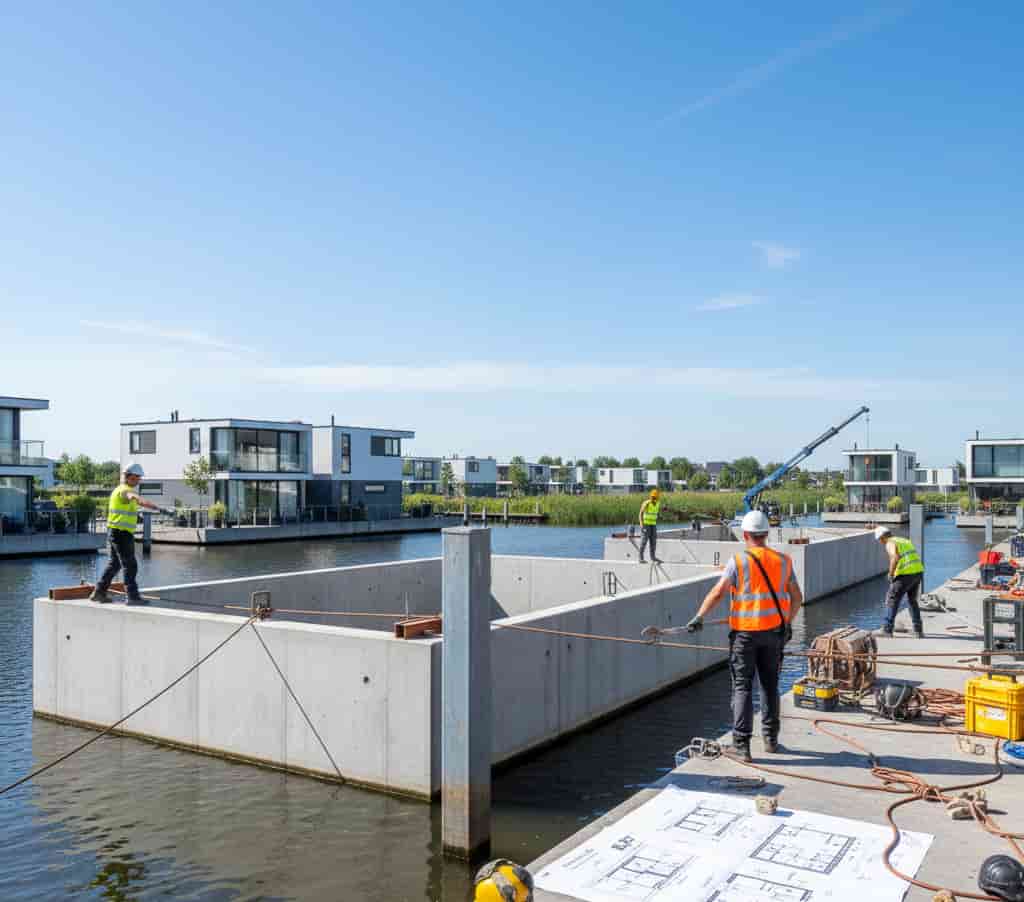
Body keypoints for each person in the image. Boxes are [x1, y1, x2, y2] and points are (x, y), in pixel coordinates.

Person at [685, 510, 803, 762]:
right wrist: (787, 622)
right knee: (770, 687)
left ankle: (742, 746)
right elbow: (797, 597)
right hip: (774, 635)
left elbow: (718, 593)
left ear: (746, 534)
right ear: (766, 534)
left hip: (745, 636)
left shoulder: (738, 561)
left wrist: (699, 617)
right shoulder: (784, 561)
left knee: (742, 687)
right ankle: (771, 741)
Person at [90, 463, 163, 605]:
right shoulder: (125, 490)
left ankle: (99, 592)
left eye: (139, 478)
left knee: (115, 564)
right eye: (136, 477)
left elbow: (129, 508)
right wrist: (156, 507)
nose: (138, 480)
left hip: (114, 531)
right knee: (130, 565)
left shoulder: (118, 490)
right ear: (128, 476)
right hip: (121, 533)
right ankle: (132, 596)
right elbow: (135, 499)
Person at [874, 525, 925, 639]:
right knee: (912, 601)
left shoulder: (890, 542)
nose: (881, 543)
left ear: (882, 537)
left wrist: (891, 574)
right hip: (917, 572)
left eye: (880, 540)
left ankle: (887, 630)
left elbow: (895, 557)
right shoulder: (904, 540)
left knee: (892, 599)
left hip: (904, 575)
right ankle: (918, 630)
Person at [638, 489, 662, 564]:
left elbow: (656, 513)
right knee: (644, 541)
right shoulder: (646, 503)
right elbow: (640, 514)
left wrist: (660, 516)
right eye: (653, 497)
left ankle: (653, 557)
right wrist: (641, 525)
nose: (654, 498)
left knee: (653, 541)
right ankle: (640, 558)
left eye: (655, 497)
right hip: (646, 525)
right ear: (651, 496)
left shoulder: (658, 503)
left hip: (653, 525)